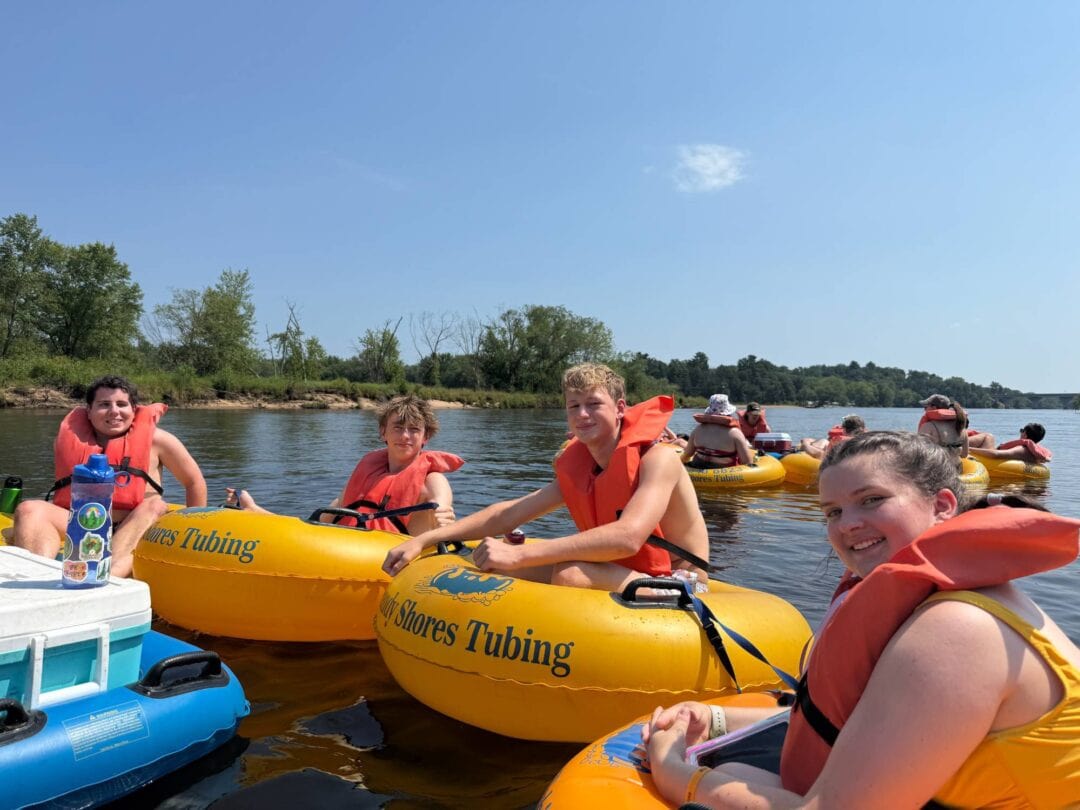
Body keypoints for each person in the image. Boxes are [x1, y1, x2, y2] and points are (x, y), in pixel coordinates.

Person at [642, 431, 1080, 808]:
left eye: (871, 500)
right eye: (832, 511)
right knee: (740, 770)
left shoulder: (957, 628)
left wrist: (672, 770)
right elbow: (858, 722)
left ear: (944, 505)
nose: (847, 524)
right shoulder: (941, 600)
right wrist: (717, 720)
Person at [382, 363, 710, 591]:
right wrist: (423, 540)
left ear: (620, 408)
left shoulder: (659, 458)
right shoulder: (583, 466)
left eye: (594, 404)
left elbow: (627, 537)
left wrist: (521, 553)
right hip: (624, 570)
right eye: (574, 406)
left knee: (570, 573)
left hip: (680, 580)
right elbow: (508, 514)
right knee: (496, 566)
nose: (582, 414)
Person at [10, 375, 207, 577]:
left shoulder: (160, 440)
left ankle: (106, 578)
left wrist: (193, 533)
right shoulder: (65, 441)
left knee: (156, 504)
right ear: (89, 410)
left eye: (122, 404)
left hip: (135, 523)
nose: (114, 411)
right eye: (104, 404)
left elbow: (194, 482)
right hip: (83, 523)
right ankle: (36, 578)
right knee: (29, 508)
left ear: (134, 409)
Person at [227, 394, 460, 535]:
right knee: (335, 507)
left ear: (425, 437)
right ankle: (257, 512)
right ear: (383, 432)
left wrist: (443, 518)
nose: (405, 436)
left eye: (414, 430)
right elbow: (313, 526)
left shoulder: (433, 481)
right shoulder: (369, 471)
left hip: (395, 556)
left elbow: (442, 505)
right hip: (348, 546)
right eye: (398, 427)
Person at [681, 394, 755, 469]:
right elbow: (747, 462)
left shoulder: (698, 429)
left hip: (697, 468)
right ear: (729, 413)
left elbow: (688, 454)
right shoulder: (735, 433)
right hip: (724, 475)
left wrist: (681, 464)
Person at [968, 423, 1053, 465]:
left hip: (988, 462)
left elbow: (996, 454)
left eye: (1022, 431)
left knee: (989, 436)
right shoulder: (1034, 454)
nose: (1020, 433)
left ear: (1025, 434)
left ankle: (956, 446)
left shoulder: (1022, 449)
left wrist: (968, 449)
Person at [917, 393, 969, 460]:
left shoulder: (928, 427)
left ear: (934, 408)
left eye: (925, 407)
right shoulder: (961, 426)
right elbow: (964, 454)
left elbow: (919, 454)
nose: (924, 410)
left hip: (936, 468)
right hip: (955, 467)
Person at [797, 414, 865, 460]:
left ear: (843, 430)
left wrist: (805, 443)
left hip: (838, 471)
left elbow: (820, 455)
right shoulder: (868, 441)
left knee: (822, 442)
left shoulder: (841, 442)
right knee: (824, 441)